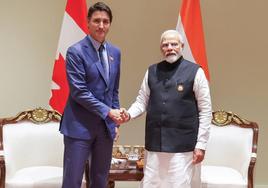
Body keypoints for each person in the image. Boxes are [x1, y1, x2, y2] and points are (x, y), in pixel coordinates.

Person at [121, 30, 212, 188]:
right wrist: (128, 115)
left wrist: (201, 145)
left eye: (174, 44)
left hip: (182, 148)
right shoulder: (151, 71)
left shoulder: (196, 72)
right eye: (165, 45)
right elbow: (141, 102)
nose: (170, 48)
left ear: (182, 46)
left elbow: (205, 111)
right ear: (161, 49)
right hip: (155, 145)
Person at [60, 2, 123, 188]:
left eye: (105, 21)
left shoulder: (115, 52)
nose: (101, 26)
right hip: (79, 128)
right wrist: (109, 112)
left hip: (105, 129)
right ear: (88, 23)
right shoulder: (75, 51)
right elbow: (79, 91)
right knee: (72, 182)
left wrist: (115, 122)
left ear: (110, 24)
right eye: (96, 21)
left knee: (100, 181)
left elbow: (113, 90)